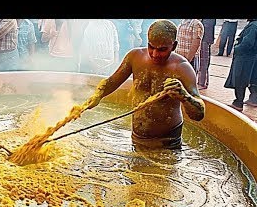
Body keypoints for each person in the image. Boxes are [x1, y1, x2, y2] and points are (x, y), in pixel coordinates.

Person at [87, 19, 205, 150]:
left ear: (174, 46)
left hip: (167, 142)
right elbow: (112, 81)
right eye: (151, 47)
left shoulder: (182, 68)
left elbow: (199, 114)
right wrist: (97, 95)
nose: (155, 54)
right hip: (137, 138)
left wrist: (184, 96)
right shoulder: (134, 57)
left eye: (162, 50)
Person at [224, 19, 257, 112]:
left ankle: (238, 103)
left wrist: (237, 48)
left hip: (244, 58)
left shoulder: (253, 26)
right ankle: (253, 99)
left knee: (240, 79)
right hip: (251, 57)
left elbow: (247, 43)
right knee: (252, 80)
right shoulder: (254, 25)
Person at [198, 19, 217, 90]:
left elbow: (205, 27)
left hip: (205, 39)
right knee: (203, 61)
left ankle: (202, 82)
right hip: (205, 39)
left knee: (203, 61)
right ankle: (202, 81)